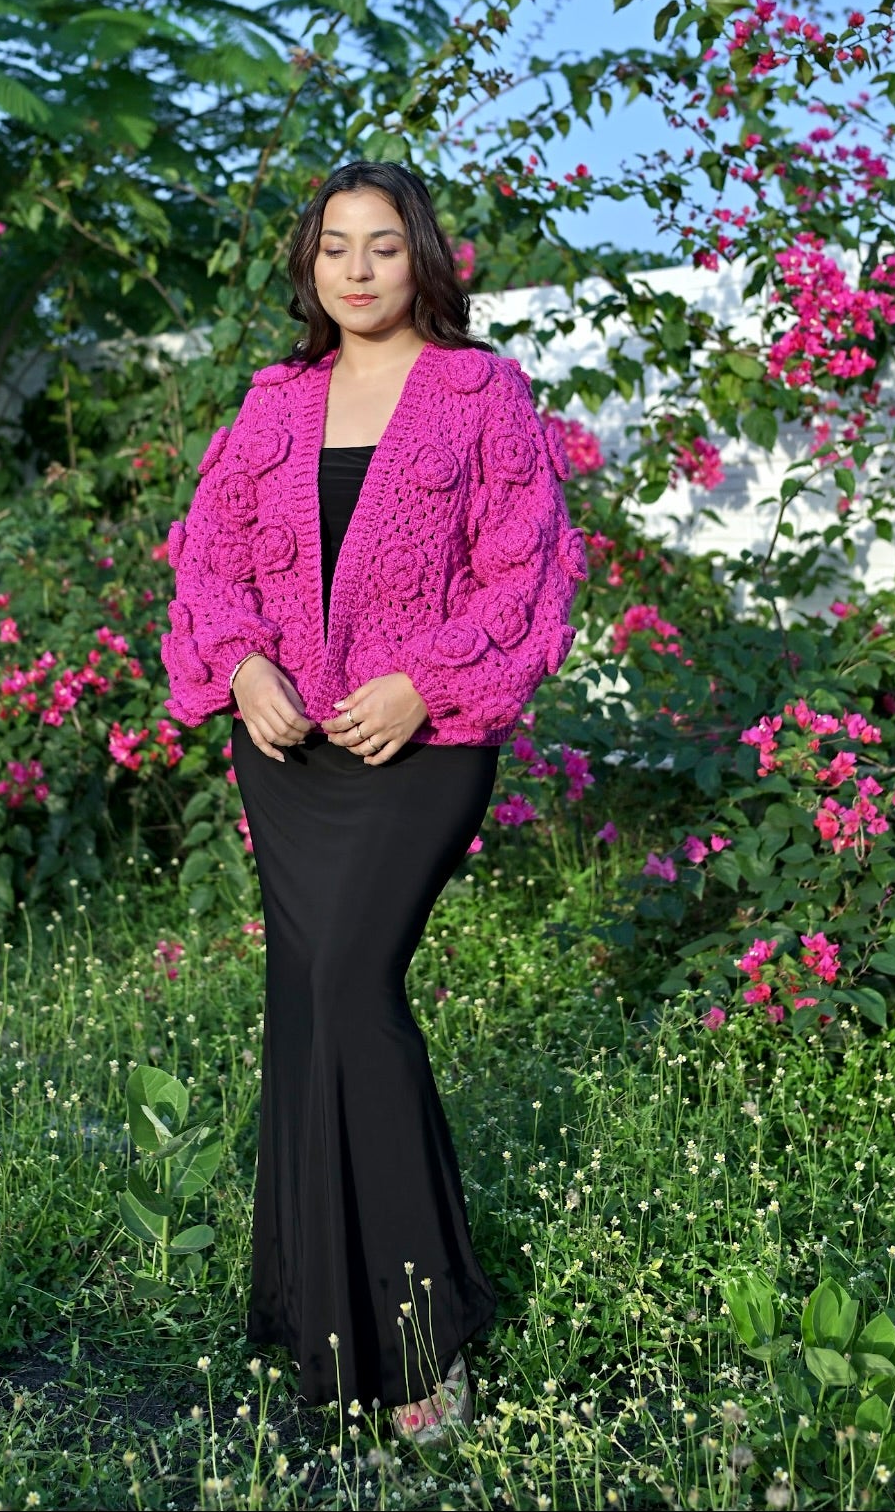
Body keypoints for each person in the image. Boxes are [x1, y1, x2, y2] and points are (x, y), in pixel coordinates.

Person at [159, 160, 588, 1445]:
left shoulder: (481, 391)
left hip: (426, 735)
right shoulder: (275, 398)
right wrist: (238, 667)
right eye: (335, 247)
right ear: (309, 267)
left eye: (383, 247)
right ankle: (314, 1326)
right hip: (288, 748)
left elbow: (529, 576)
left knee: (350, 987)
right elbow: (207, 555)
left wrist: (423, 683)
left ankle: (424, 1338)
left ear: (424, 260)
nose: (357, 270)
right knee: (305, 1005)